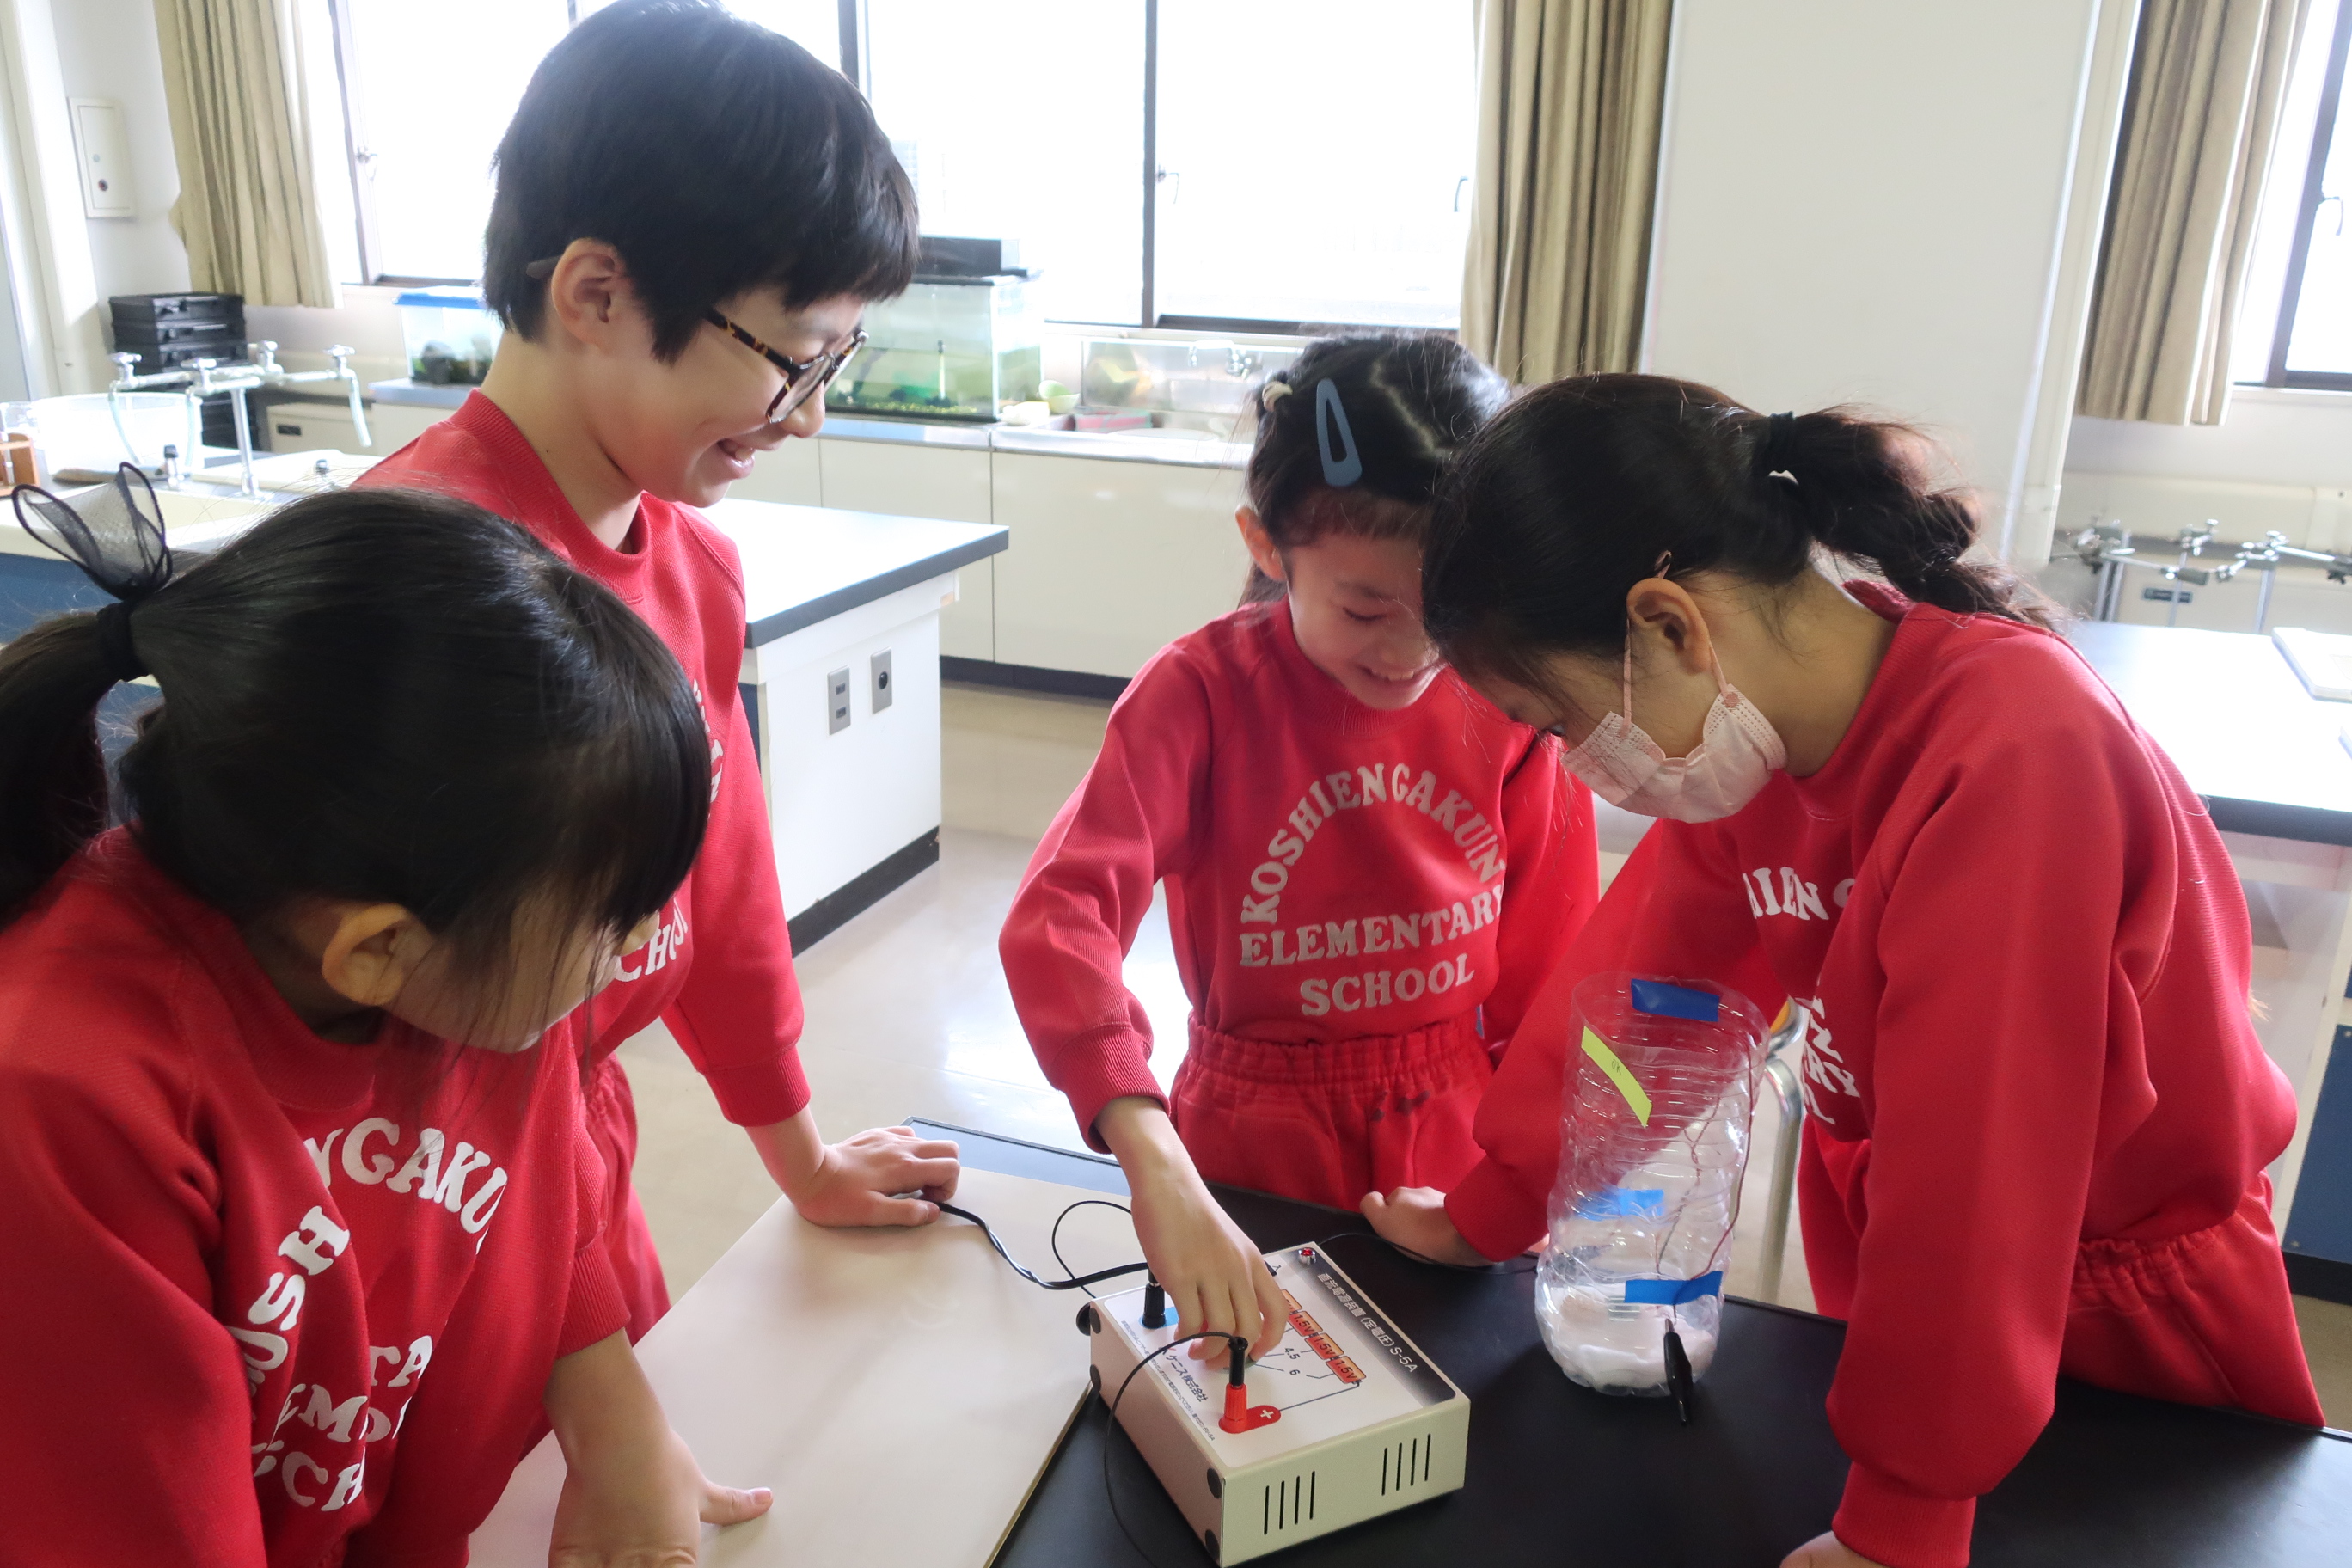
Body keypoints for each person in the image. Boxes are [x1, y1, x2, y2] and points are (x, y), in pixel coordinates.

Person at [1364, 373, 2325, 1568]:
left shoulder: (2017, 754)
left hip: (2115, 1331)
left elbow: (1980, 1169)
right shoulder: (1762, 747)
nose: (1571, 763)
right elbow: (1634, 1006)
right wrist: (1495, 1210)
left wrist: (1909, 1506)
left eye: (1559, 721)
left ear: (1669, 626)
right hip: (1929, 1314)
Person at [0, 474, 770, 1564]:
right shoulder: (64, 1097)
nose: (642, 940)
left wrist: (619, 1428)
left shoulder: (465, 955)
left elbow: (542, 1207)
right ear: (374, 952)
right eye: (610, 917)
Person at [358, 0, 957, 1339]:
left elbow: (723, 889)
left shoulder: (693, 570)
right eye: (794, 359)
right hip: (409, 1218)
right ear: (599, 295)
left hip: (576, 1169)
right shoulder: (419, 578)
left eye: (837, 361)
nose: (810, 414)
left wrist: (800, 1153)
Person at [999, 334, 1600, 1361]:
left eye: (1445, 613)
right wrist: (1150, 1154)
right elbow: (1060, 921)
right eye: (1365, 607)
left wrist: (1527, 1174)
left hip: (1457, 1128)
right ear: (1268, 547)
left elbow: (1558, 974)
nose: (1409, 652)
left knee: (1459, 1401)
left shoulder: (1504, 693)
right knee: (1254, 1386)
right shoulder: (1199, 695)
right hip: (1251, 1139)